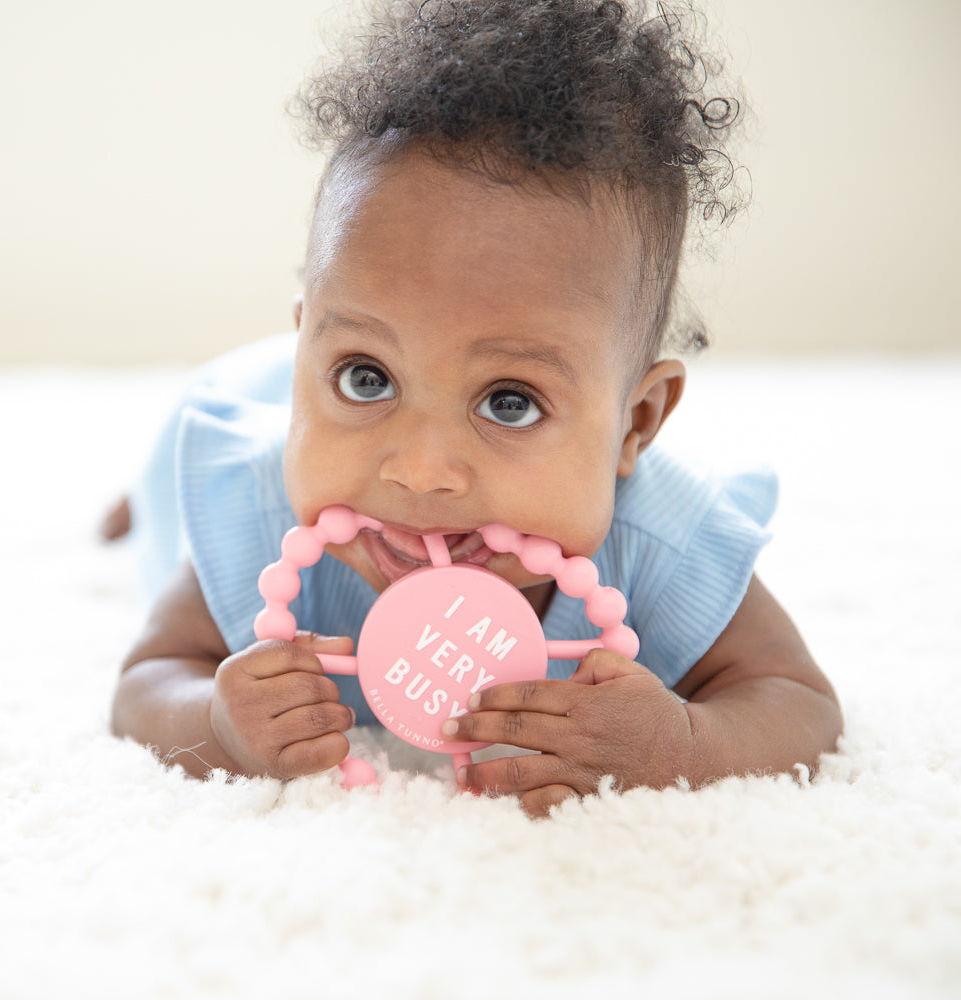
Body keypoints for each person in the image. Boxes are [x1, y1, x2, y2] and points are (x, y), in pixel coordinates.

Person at [111, 0, 842, 817]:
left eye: (509, 402)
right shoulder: (255, 516)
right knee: (179, 454)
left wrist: (683, 746)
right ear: (307, 352)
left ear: (634, 424)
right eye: (363, 377)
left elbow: (798, 700)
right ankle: (141, 494)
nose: (421, 471)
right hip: (233, 395)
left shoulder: (658, 545)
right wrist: (216, 723)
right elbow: (149, 679)